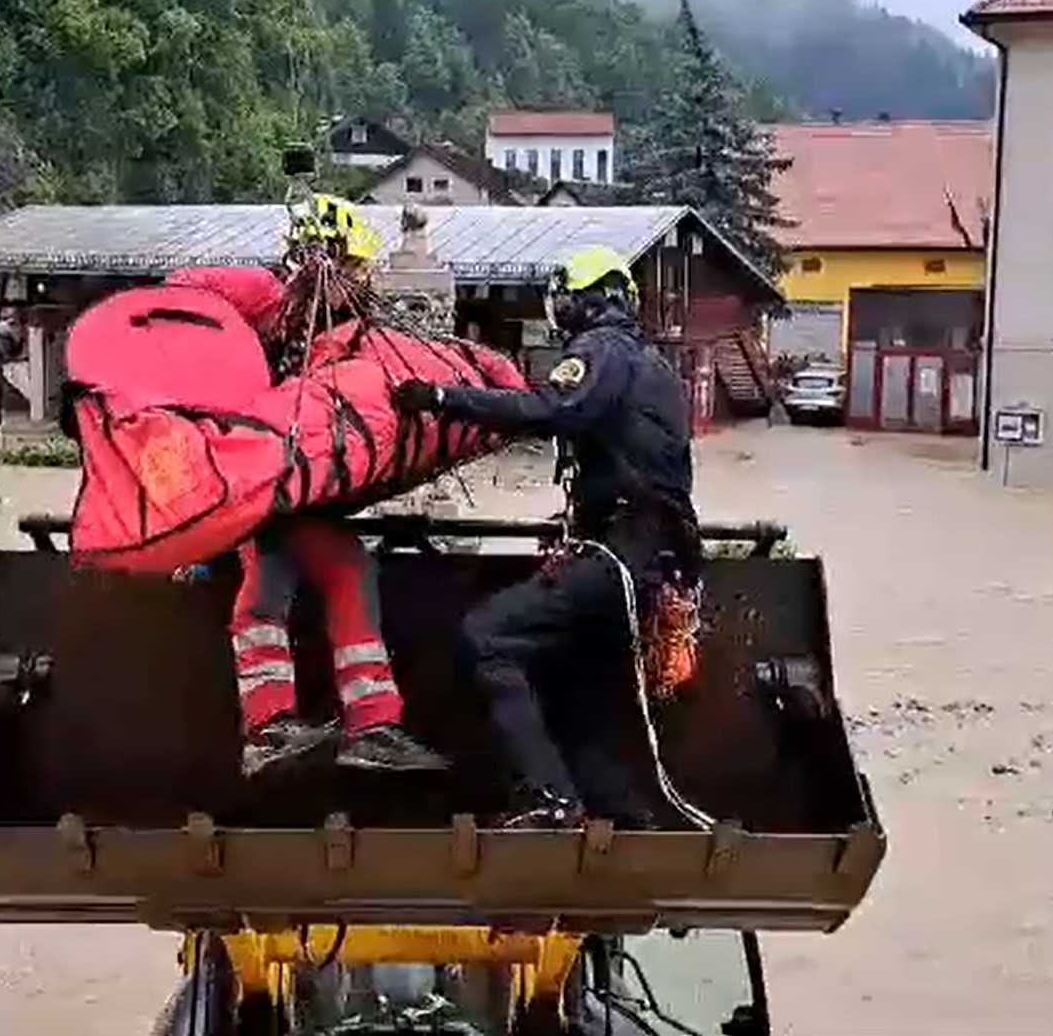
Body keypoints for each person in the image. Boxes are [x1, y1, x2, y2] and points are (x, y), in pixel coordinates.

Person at [392, 245, 700, 829]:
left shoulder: (601, 351)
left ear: (585, 302)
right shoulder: (649, 361)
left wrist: (441, 398)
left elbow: (549, 408)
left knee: (487, 637)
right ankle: (630, 821)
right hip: (651, 559)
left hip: (620, 550)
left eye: (564, 302)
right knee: (575, 688)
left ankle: (552, 802)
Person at [170, 195, 448, 778]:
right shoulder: (266, 297)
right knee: (267, 577)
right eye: (357, 270)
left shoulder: (338, 337)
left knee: (349, 569)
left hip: (297, 488)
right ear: (330, 260)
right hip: (254, 481)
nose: (364, 283)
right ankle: (269, 725)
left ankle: (371, 724)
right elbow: (179, 291)